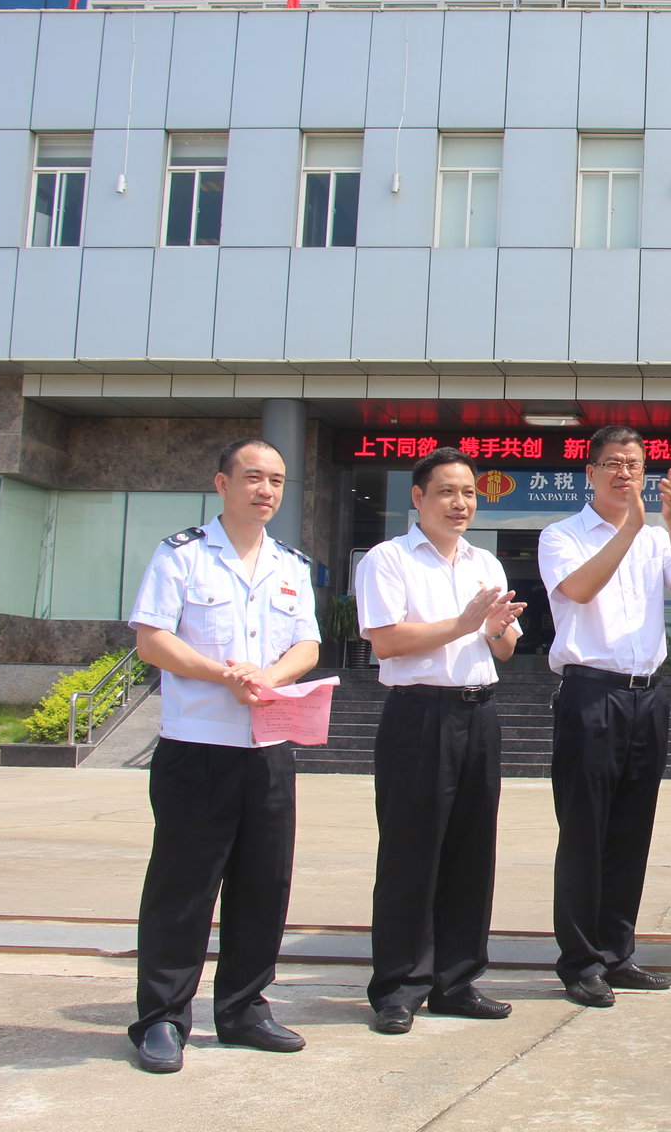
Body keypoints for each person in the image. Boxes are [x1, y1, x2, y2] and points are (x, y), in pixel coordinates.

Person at [126, 437, 321, 1074]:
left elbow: (308, 646)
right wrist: (223, 676)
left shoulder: (291, 564)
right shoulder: (182, 555)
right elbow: (152, 641)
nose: (266, 491)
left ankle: (243, 1009)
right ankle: (160, 1019)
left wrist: (270, 675)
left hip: (268, 750)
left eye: (277, 481)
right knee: (182, 888)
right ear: (222, 484)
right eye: (254, 478)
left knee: (264, 885)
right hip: (197, 749)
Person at [355, 447, 528, 1035]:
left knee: (471, 853)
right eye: (447, 492)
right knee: (411, 853)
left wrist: (497, 629)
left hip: (480, 714)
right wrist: (463, 623)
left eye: (469, 493)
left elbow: (502, 649)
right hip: (419, 717)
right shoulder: (388, 560)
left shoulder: (486, 562)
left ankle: (457, 980)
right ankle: (399, 987)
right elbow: (385, 640)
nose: (460, 504)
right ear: (417, 498)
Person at [538, 425, 671, 1008]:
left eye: (634, 463)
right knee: (585, 833)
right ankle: (580, 962)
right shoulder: (562, 535)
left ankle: (617, 952)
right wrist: (631, 526)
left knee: (632, 832)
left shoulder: (656, 537)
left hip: (647, 699)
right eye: (611, 463)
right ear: (590, 473)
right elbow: (580, 589)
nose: (624, 473)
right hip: (589, 695)